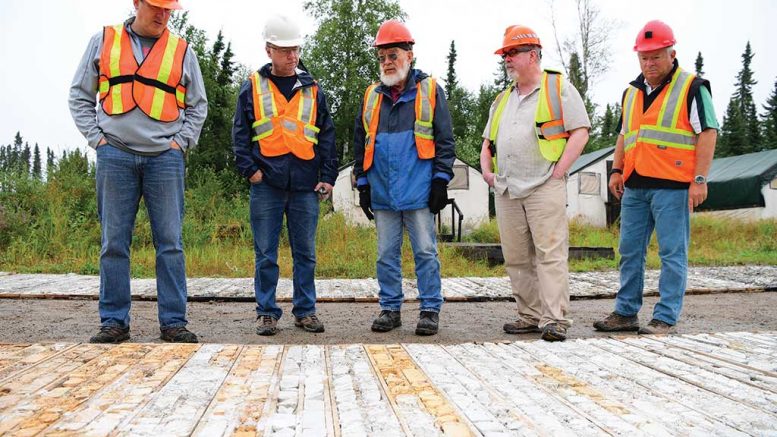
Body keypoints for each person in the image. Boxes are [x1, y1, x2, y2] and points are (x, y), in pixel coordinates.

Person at [69, 0, 207, 344]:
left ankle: (174, 322)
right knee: (113, 243)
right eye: (156, 7)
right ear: (137, 3)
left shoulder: (182, 50)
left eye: (169, 10)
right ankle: (114, 321)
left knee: (170, 244)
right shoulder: (104, 40)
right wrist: (96, 139)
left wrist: (181, 144)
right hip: (114, 154)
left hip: (165, 158)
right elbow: (79, 95)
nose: (163, 15)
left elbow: (198, 105)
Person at [594, 20, 717, 335]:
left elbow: (708, 133)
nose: (649, 63)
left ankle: (664, 317)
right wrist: (617, 169)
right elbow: (624, 135)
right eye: (644, 57)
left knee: (672, 253)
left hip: (673, 187)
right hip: (635, 186)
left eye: (656, 57)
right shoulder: (631, 93)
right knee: (630, 250)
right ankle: (625, 313)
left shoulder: (692, 87)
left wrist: (699, 180)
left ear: (672, 54)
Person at [480, 25, 591, 342]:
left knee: (550, 254)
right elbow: (487, 142)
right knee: (516, 257)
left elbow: (580, 131)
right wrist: (488, 172)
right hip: (507, 189)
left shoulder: (558, 89)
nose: (507, 60)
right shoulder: (503, 99)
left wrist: (559, 171)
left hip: (544, 186)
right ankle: (528, 316)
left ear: (532, 55)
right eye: (505, 55)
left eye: (512, 53)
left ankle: (554, 319)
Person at [232, 15, 337, 336]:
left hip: (306, 186)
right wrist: (250, 171)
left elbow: (327, 137)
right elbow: (240, 133)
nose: (292, 56)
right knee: (266, 254)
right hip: (267, 185)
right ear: (269, 50)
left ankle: (305, 311)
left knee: (305, 254)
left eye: (296, 49)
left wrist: (328, 177)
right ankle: (267, 312)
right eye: (285, 50)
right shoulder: (252, 87)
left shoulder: (313, 90)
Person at [353, 20, 455, 336]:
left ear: (410, 55)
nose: (387, 62)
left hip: (419, 190)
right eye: (382, 56)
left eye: (393, 55)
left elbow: (445, 141)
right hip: (382, 190)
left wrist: (440, 180)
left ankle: (429, 309)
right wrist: (363, 184)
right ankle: (390, 309)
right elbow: (361, 142)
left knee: (425, 251)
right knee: (386, 254)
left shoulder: (430, 91)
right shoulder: (371, 96)